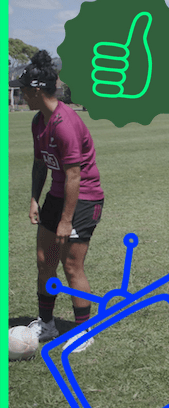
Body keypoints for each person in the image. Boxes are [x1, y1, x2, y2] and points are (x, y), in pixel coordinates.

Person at [12, 50, 104, 353]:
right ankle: (47, 323)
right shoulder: (39, 121)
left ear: (37, 91)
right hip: (57, 195)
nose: (21, 95)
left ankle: (84, 331)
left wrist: (66, 220)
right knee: (44, 260)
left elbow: (75, 176)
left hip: (84, 198)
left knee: (72, 265)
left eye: (24, 91)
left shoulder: (65, 123)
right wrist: (34, 199)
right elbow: (40, 164)